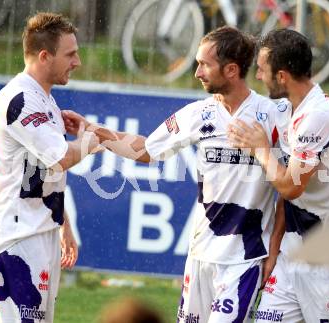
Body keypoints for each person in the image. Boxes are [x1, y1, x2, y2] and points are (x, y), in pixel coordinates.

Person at [63, 26, 284, 323]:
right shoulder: (198, 114)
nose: (197, 72)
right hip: (200, 254)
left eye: (205, 64)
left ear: (231, 70)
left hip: (244, 259)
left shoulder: (273, 115)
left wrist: (274, 250)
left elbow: (292, 185)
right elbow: (146, 149)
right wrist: (93, 131)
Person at [227, 29, 329, 322]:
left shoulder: (319, 116)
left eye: (263, 71)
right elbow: (287, 196)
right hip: (293, 250)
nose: (259, 77)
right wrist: (274, 250)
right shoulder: (287, 110)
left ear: (282, 76)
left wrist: (261, 150)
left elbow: (290, 186)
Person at [0, 12, 99, 322]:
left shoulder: (44, 98)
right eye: (70, 54)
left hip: (39, 229)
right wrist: (89, 139)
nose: (77, 62)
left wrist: (64, 222)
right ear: (44, 56)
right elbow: (61, 158)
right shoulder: (21, 98)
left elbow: (43, 172)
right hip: (16, 236)